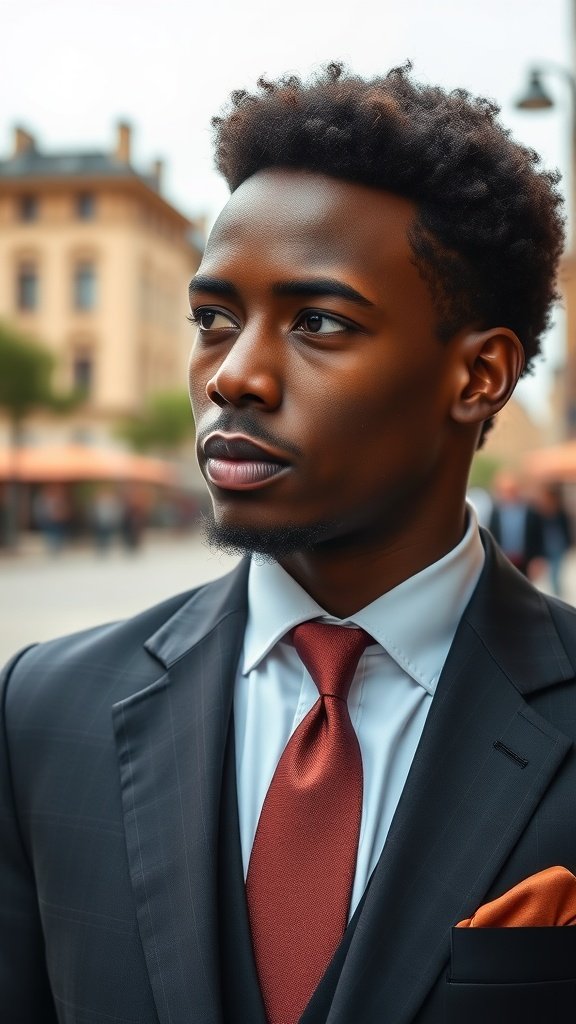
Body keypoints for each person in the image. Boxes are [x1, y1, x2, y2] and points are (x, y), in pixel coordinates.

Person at [1, 63, 574, 1024]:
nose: (234, 375)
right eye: (213, 320)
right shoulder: (44, 712)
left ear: (479, 376)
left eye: (318, 322)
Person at [488, 468, 545, 576]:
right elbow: (492, 535)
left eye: (511, 490)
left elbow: (539, 536)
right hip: (503, 560)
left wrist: (538, 558)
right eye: (505, 490)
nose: (508, 494)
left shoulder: (530, 511)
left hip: (526, 561)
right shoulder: (496, 512)